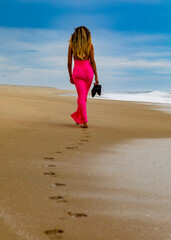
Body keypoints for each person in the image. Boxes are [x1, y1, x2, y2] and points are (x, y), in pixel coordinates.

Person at [67, 26, 99, 128]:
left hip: (77, 72)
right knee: (83, 97)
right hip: (88, 73)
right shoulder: (90, 46)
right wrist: (96, 77)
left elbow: (69, 63)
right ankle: (78, 117)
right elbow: (92, 62)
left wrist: (70, 76)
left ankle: (85, 121)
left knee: (81, 97)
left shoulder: (72, 46)